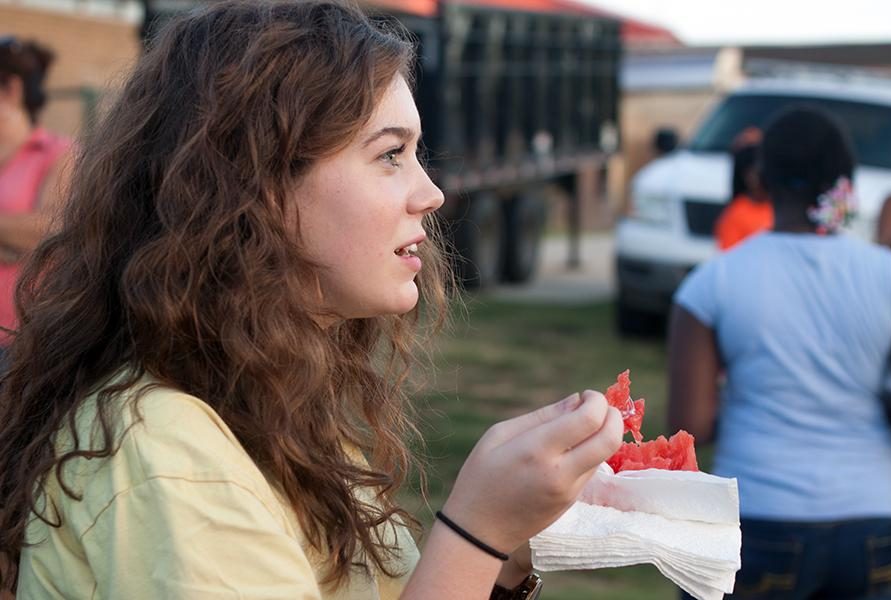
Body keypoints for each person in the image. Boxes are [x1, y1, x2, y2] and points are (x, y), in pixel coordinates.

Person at [0, 2, 625, 599]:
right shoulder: (168, 457)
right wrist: (475, 533)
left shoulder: (266, 400)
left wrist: (505, 555)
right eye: (390, 155)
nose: (431, 194)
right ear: (258, 189)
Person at [668, 106, 891, 599]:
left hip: (757, 515)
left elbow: (694, 423)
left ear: (759, 176)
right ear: (844, 180)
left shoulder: (712, 283)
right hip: (877, 520)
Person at [0, 36, 73, 345]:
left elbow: (50, 231)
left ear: (11, 89)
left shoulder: (60, 153)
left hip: (20, 343)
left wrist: (27, 236)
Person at [713, 126, 773, 251]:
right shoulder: (736, 215)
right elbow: (729, 256)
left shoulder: (782, 207)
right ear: (747, 177)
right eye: (757, 173)